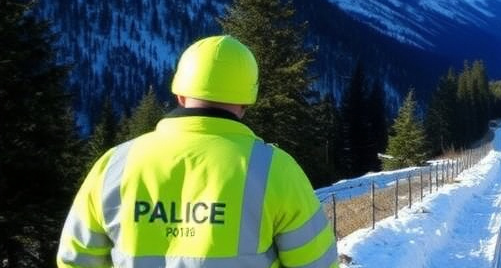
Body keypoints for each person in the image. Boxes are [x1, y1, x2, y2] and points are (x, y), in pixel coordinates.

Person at [57, 35, 339, 268]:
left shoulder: (114, 165)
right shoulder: (276, 170)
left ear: (180, 94)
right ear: (246, 101)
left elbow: (75, 260)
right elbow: (317, 264)